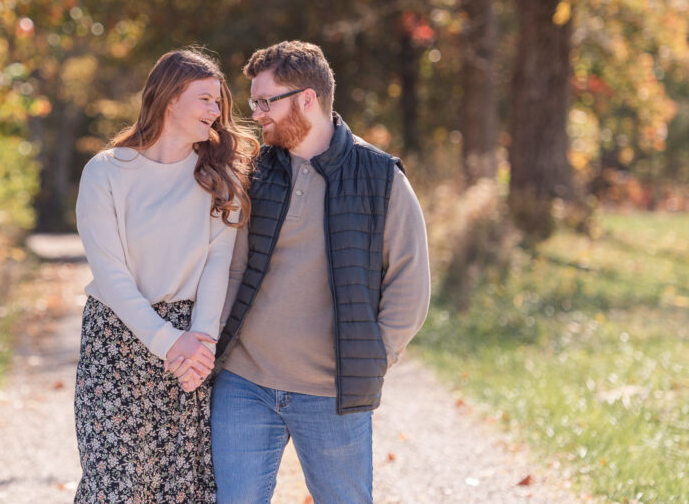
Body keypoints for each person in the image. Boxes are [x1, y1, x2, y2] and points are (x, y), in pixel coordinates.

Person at [211, 40, 431, 504]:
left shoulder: (380, 177)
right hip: (244, 383)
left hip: (331, 393)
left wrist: (374, 355)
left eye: (266, 101)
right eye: (255, 102)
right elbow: (230, 270)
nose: (258, 114)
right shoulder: (255, 171)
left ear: (307, 99)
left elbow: (409, 283)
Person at [73, 47, 258, 503]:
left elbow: (218, 267)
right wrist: (167, 341)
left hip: (190, 348)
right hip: (116, 343)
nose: (216, 112)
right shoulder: (107, 172)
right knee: (116, 489)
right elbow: (111, 275)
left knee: (183, 490)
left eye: (219, 103)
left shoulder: (219, 178)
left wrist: (202, 344)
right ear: (171, 98)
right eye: (205, 99)